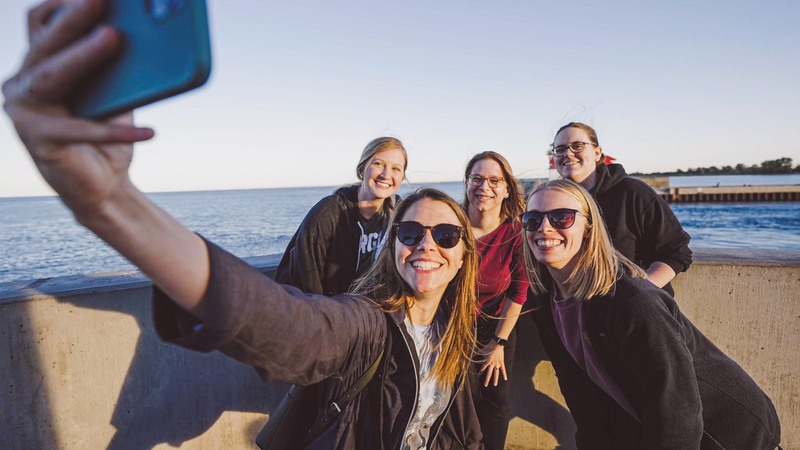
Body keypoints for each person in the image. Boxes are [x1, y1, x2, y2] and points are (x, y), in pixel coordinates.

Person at [2, 3, 484, 448]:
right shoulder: (366, 320)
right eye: (410, 232)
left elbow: (461, 427)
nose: (426, 243)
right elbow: (290, 319)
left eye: (445, 235)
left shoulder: (455, 332)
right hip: (333, 339)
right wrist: (111, 204)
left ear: (465, 252)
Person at [520, 179, 781, 449]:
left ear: (588, 228)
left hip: (726, 436)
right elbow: (580, 395)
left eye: (561, 217)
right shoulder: (546, 304)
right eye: (532, 219)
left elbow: (676, 411)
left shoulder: (632, 302)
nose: (544, 227)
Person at [551, 122, 692, 295]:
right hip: (575, 311)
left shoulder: (633, 193)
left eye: (577, 146)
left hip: (635, 312)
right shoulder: (552, 202)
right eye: (560, 149)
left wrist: (638, 293)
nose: (568, 153)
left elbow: (676, 252)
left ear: (597, 153)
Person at [276, 136, 407, 295]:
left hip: (372, 311)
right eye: (378, 164)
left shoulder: (401, 216)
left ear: (402, 177)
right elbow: (305, 281)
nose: (386, 175)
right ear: (362, 169)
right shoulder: (327, 214)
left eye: (396, 168)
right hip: (329, 310)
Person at [461, 152, 528, 450]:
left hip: (496, 324)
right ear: (466, 184)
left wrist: (498, 343)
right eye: (477, 178)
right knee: (453, 399)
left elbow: (518, 291)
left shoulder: (516, 232)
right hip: (450, 325)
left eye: (494, 180)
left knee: (495, 400)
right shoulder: (451, 226)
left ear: (506, 188)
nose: (484, 186)